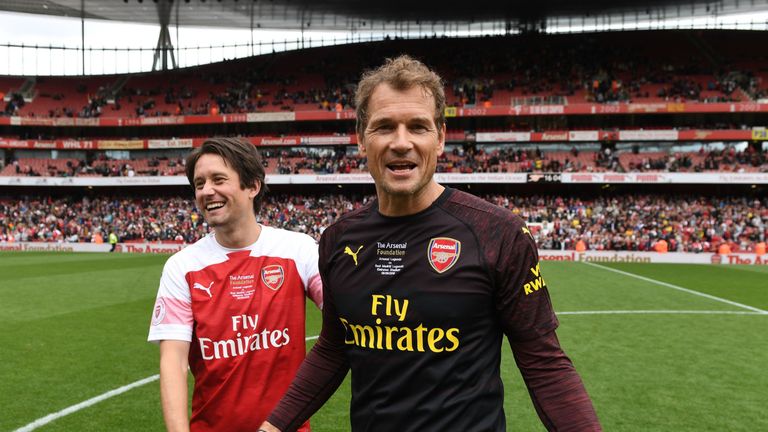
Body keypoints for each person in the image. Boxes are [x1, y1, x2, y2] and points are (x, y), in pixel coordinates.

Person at [260, 56, 600, 431]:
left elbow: (544, 363)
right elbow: (333, 347)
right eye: (384, 127)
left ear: (440, 138)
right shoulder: (339, 240)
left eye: (417, 127)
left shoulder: (498, 234)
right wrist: (273, 426)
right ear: (360, 139)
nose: (401, 142)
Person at [147, 137, 323, 432]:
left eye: (219, 179)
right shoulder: (182, 267)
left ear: (253, 185)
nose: (207, 191)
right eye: (199, 183)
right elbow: (173, 362)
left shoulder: (298, 250)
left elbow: (343, 317)